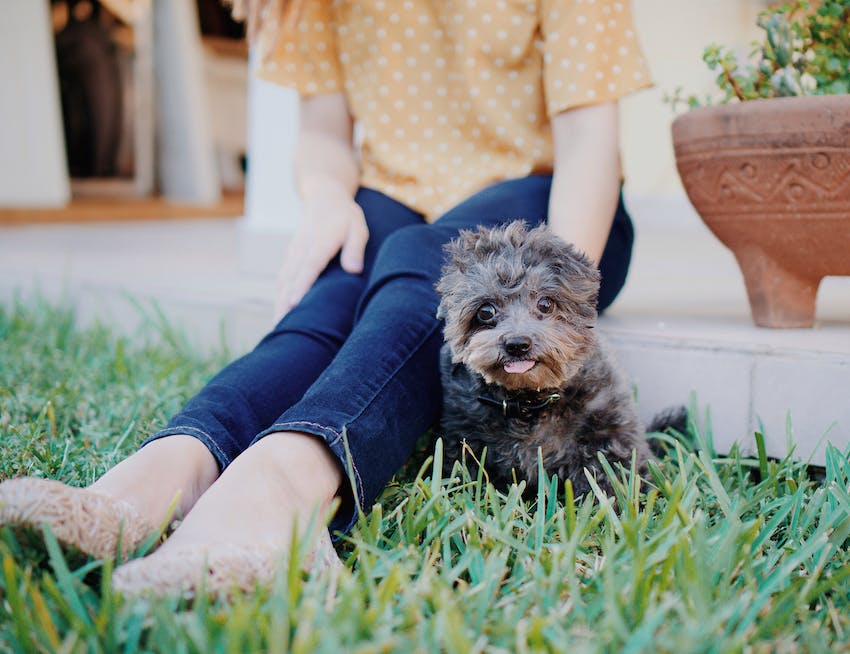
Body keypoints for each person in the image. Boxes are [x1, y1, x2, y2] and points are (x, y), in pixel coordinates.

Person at [0, 0, 651, 593]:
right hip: (399, 199)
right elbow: (322, 132)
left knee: (424, 257)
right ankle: (169, 470)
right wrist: (328, 199)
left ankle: (286, 491)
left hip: (547, 205)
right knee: (327, 305)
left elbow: (589, 142)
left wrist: (563, 294)